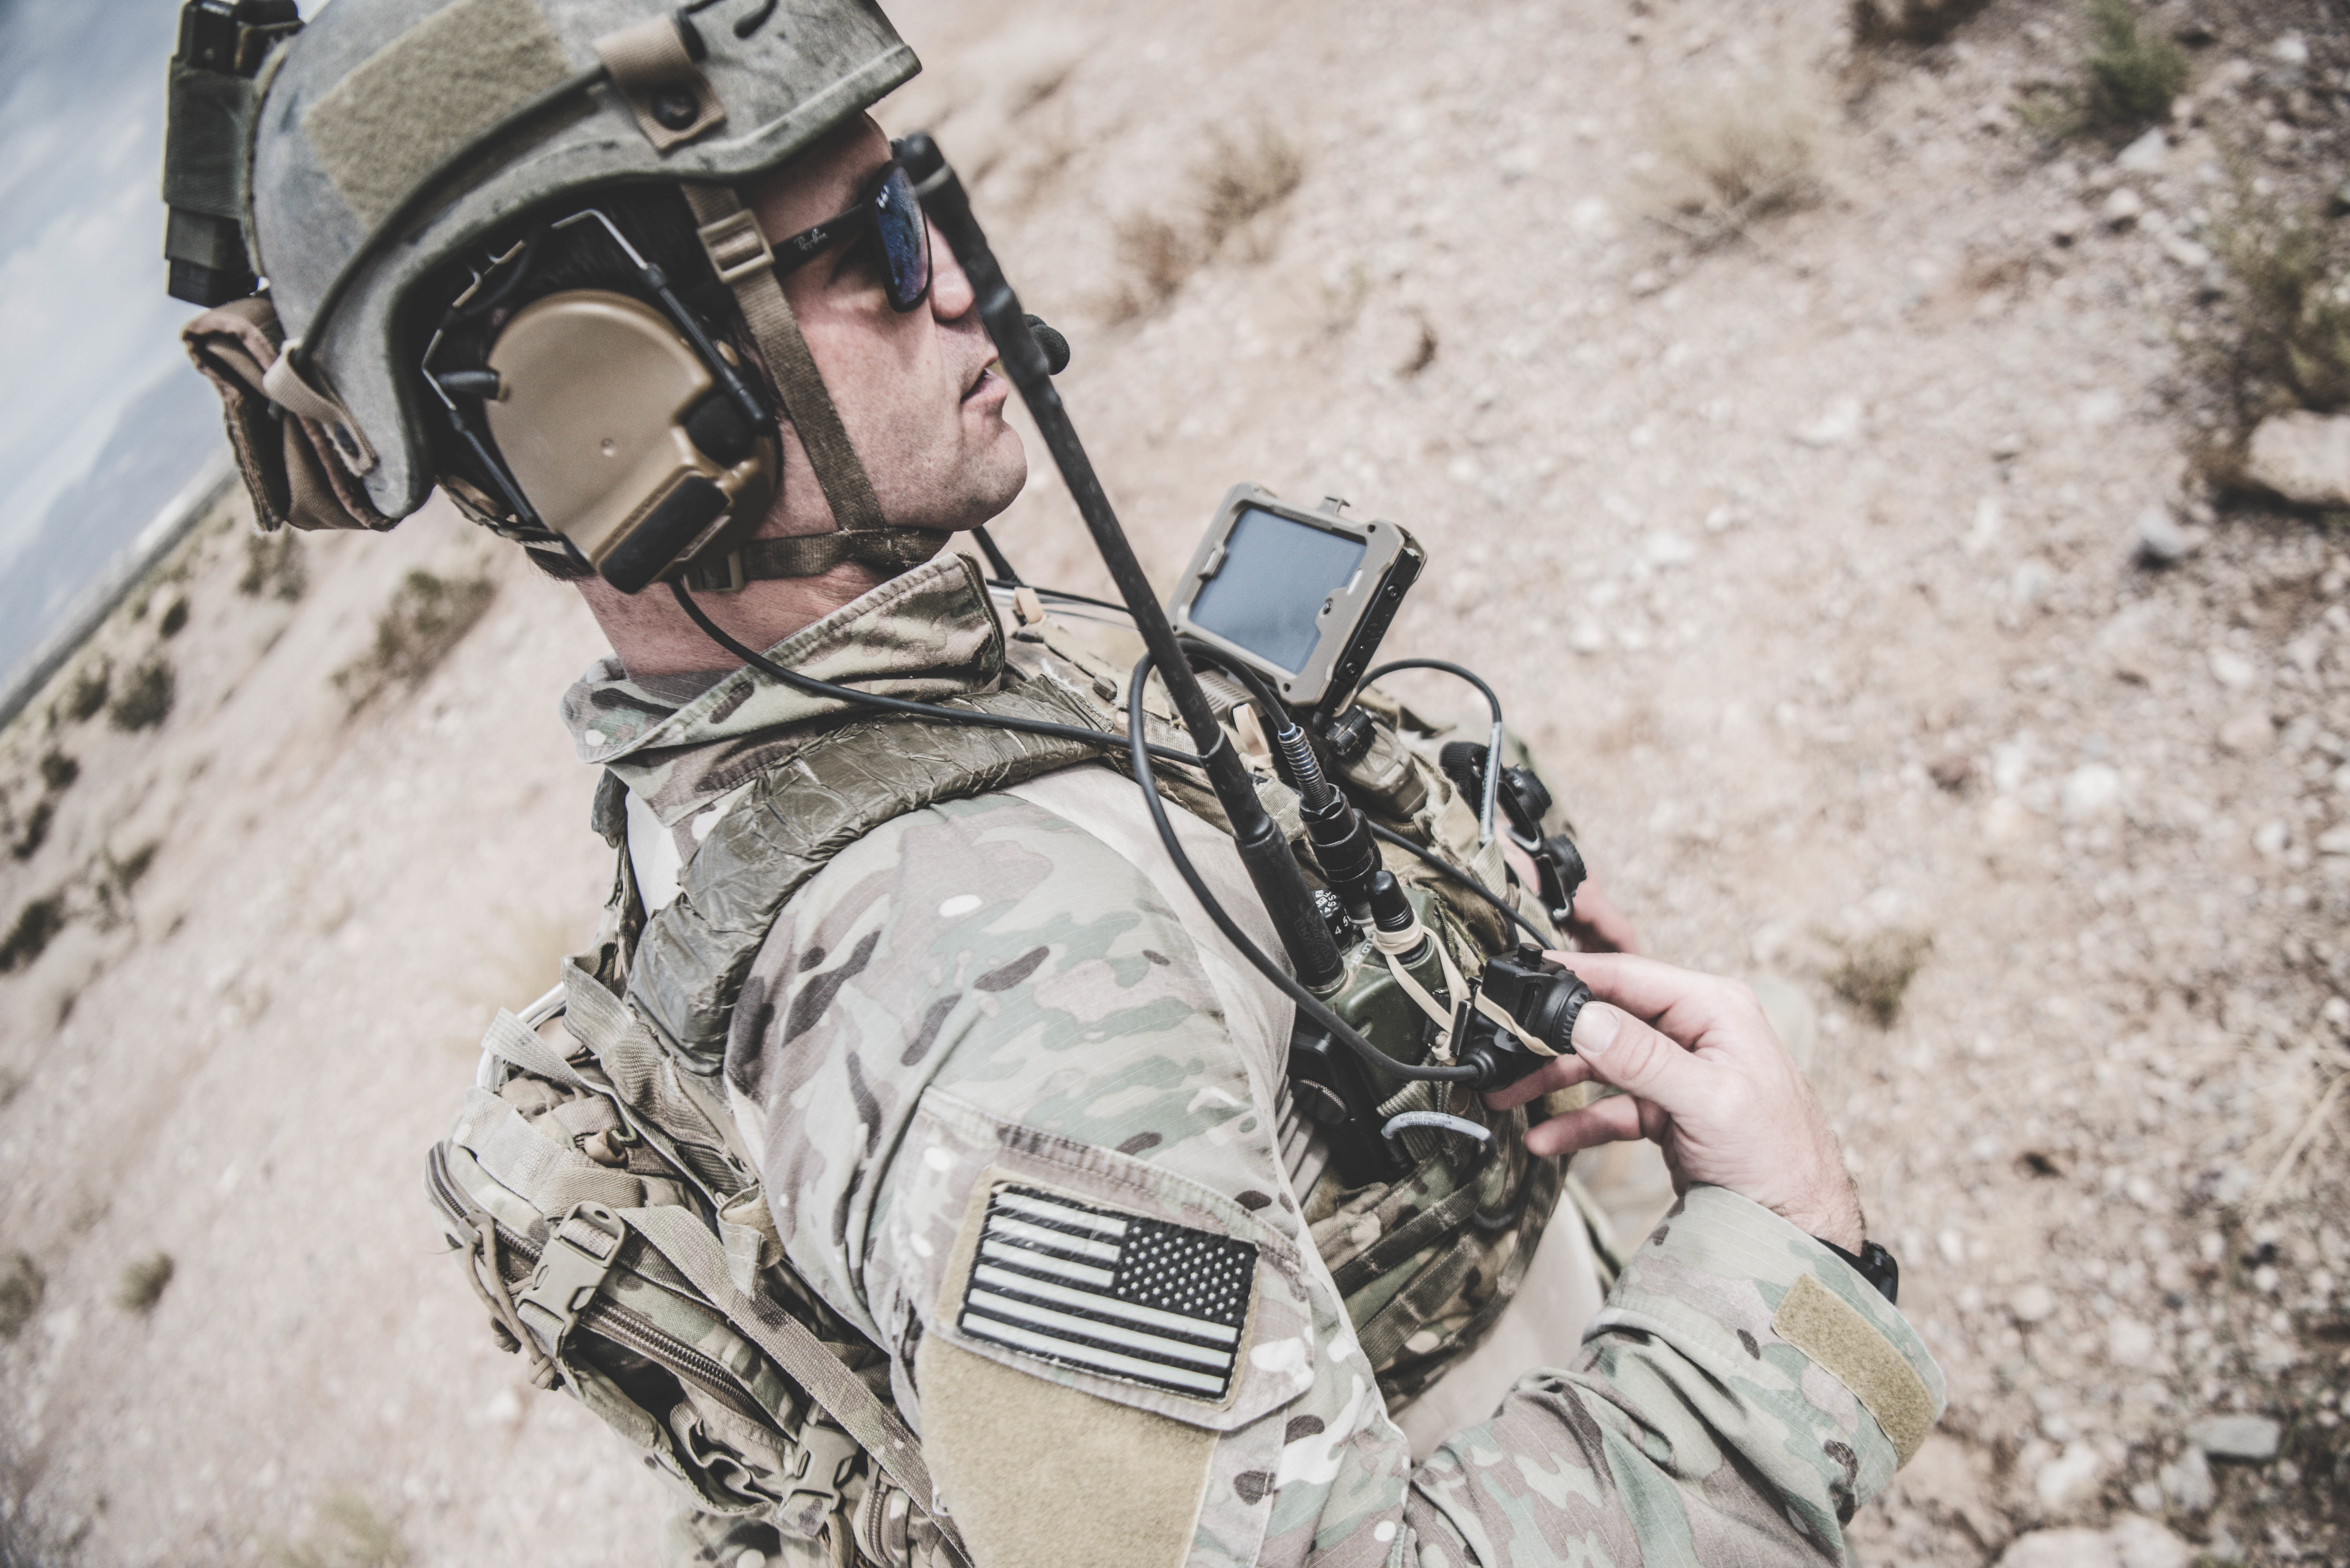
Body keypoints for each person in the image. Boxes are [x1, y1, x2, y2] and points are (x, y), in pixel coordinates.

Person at [169, 1, 1942, 1563]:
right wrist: (1786, 1270)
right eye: (867, 236)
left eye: (921, 188)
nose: (954, 271)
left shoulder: (791, 750)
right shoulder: (989, 967)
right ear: (610, 401)